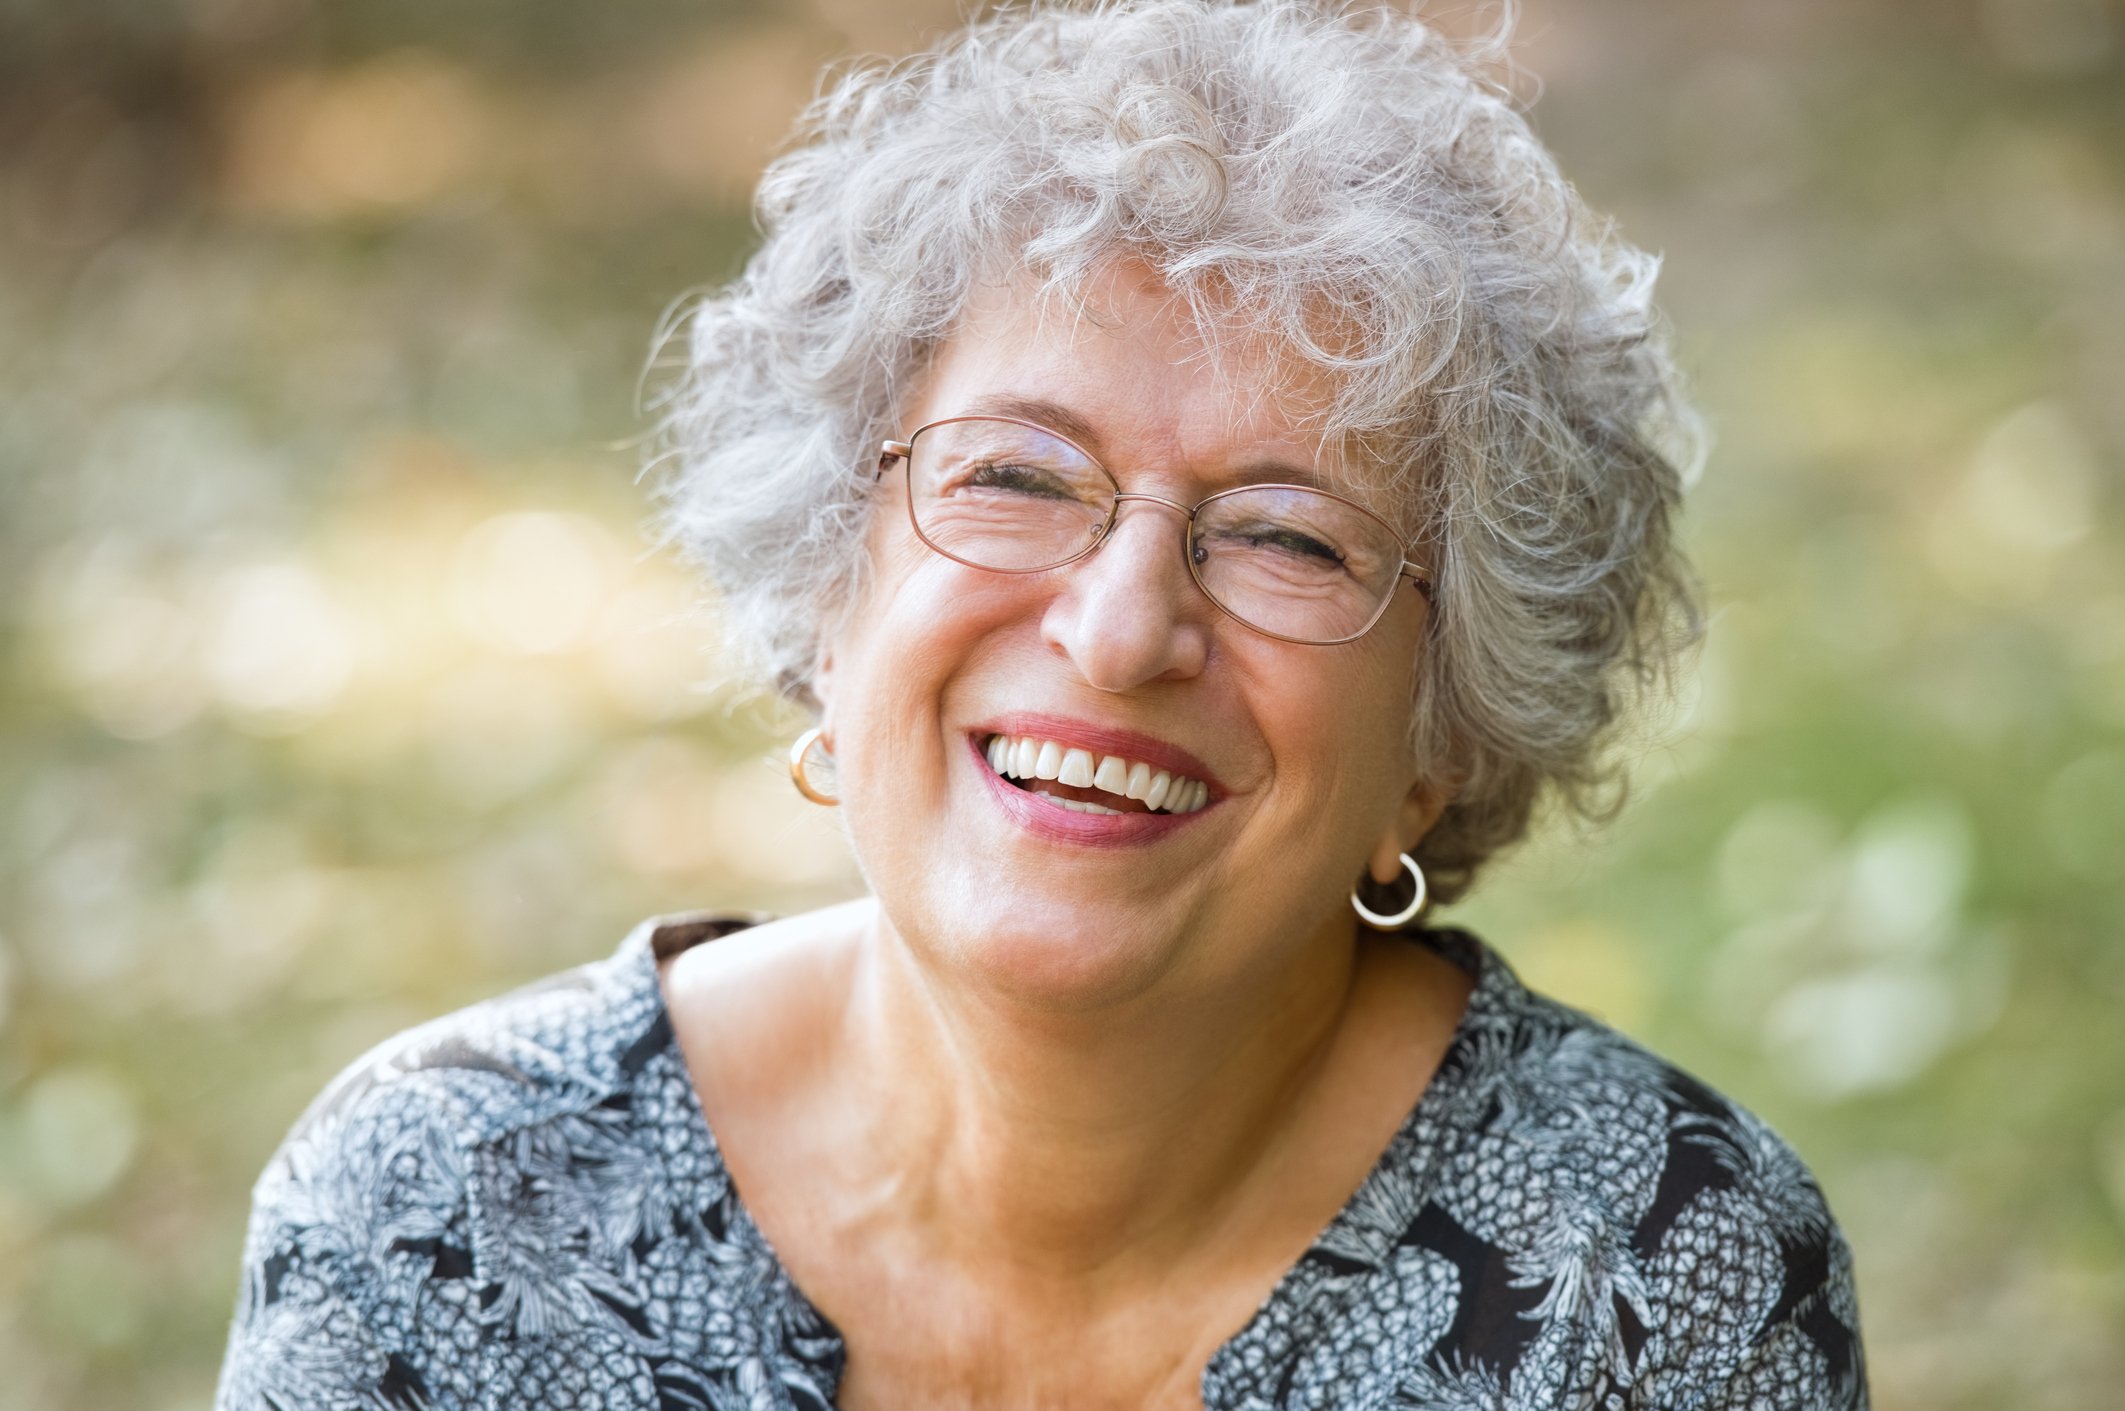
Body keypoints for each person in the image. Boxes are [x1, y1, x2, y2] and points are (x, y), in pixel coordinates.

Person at [214, 2, 1868, 1407]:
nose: (1121, 625)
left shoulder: (1656, 1286)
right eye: (1016, 475)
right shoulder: (437, 1215)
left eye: (1287, 536)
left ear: (1437, 748)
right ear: (831, 592)